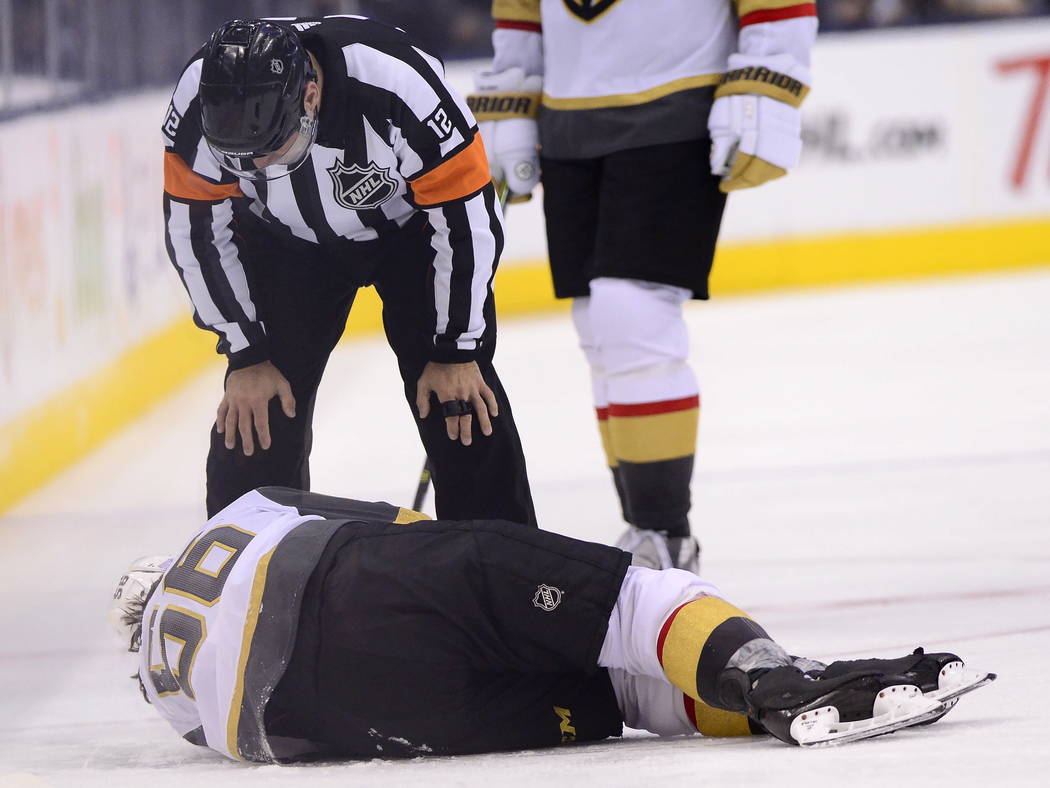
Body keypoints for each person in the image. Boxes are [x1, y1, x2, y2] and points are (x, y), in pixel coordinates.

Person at [109, 486, 993, 762]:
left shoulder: (164, 697)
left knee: (608, 691)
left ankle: (773, 702)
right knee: (629, 607)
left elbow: (237, 743)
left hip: (335, 717)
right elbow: (395, 527)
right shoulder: (227, 522)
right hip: (350, 586)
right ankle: (776, 680)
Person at [466, 1, 819, 569]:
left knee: (631, 314)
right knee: (600, 329)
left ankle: (666, 533)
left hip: (677, 110)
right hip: (567, 127)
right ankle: (645, 531)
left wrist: (766, 78)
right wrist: (513, 104)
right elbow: (521, 13)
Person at [162, 15, 536, 524]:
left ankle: (502, 566)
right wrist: (245, 352)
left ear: (310, 95)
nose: (259, 170)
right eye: (240, 163)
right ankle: (239, 569)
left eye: (274, 152)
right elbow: (197, 230)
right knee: (255, 411)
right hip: (285, 242)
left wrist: (457, 347)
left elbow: (467, 217)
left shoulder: (398, 83)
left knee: (463, 402)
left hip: (414, 234)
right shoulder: (198, 102)